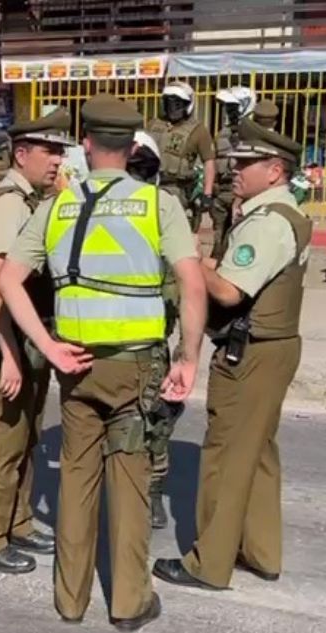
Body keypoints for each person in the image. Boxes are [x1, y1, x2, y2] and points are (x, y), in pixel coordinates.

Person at [0, 94, 206, 630]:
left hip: (75, 367)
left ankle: (70, 600)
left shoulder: (54, 206)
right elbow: (191, 280)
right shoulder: (158, 203)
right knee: (131, 484)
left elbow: (6, 281)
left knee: (76, 481)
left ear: (85, 145)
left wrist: (47, 346)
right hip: (134, 368)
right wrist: (189, 358)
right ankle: (129, 603)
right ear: (134, 144)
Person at [153, 119, 310, 591]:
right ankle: (260, 552)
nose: (234, 170)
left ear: (276, 170)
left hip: (253, 352)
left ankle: (210, 563)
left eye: (246, 164)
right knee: (258, 454)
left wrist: (190, 258)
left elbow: (227, 290)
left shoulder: (269, 223)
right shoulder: (283, 212)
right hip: (272, 347)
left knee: (225, 457)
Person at [0, 108, 72, 575]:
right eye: (50, 151)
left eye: (61, 151)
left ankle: (18, 522)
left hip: (27, 337)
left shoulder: (35, 200)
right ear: (22, 154)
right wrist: (8, 353)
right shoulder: (8, 203)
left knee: (27, 434)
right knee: (4, 437)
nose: (58, 160)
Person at [125, 131, 187, 531]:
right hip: (109, 337)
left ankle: (151, 493)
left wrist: (184, 350)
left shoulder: (165, 210)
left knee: (157, 419)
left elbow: (182, 280)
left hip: (151, 337)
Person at [149, 82, 216, 232]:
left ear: (187, 104)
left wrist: (207, 193)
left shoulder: (198, 130)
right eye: (169, 103)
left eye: (177, 104)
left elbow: (209, 162)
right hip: (152, 186)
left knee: (176, 231)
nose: (172, 109)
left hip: (178, 190)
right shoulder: (154, 125)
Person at [212, 87, 256, 255]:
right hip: (221, 194)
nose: (228, 111)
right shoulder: (223, 133)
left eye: (232, 107)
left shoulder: (253, 133)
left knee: (239, 241)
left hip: (241, 194)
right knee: (218, 244)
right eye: (227, 107)